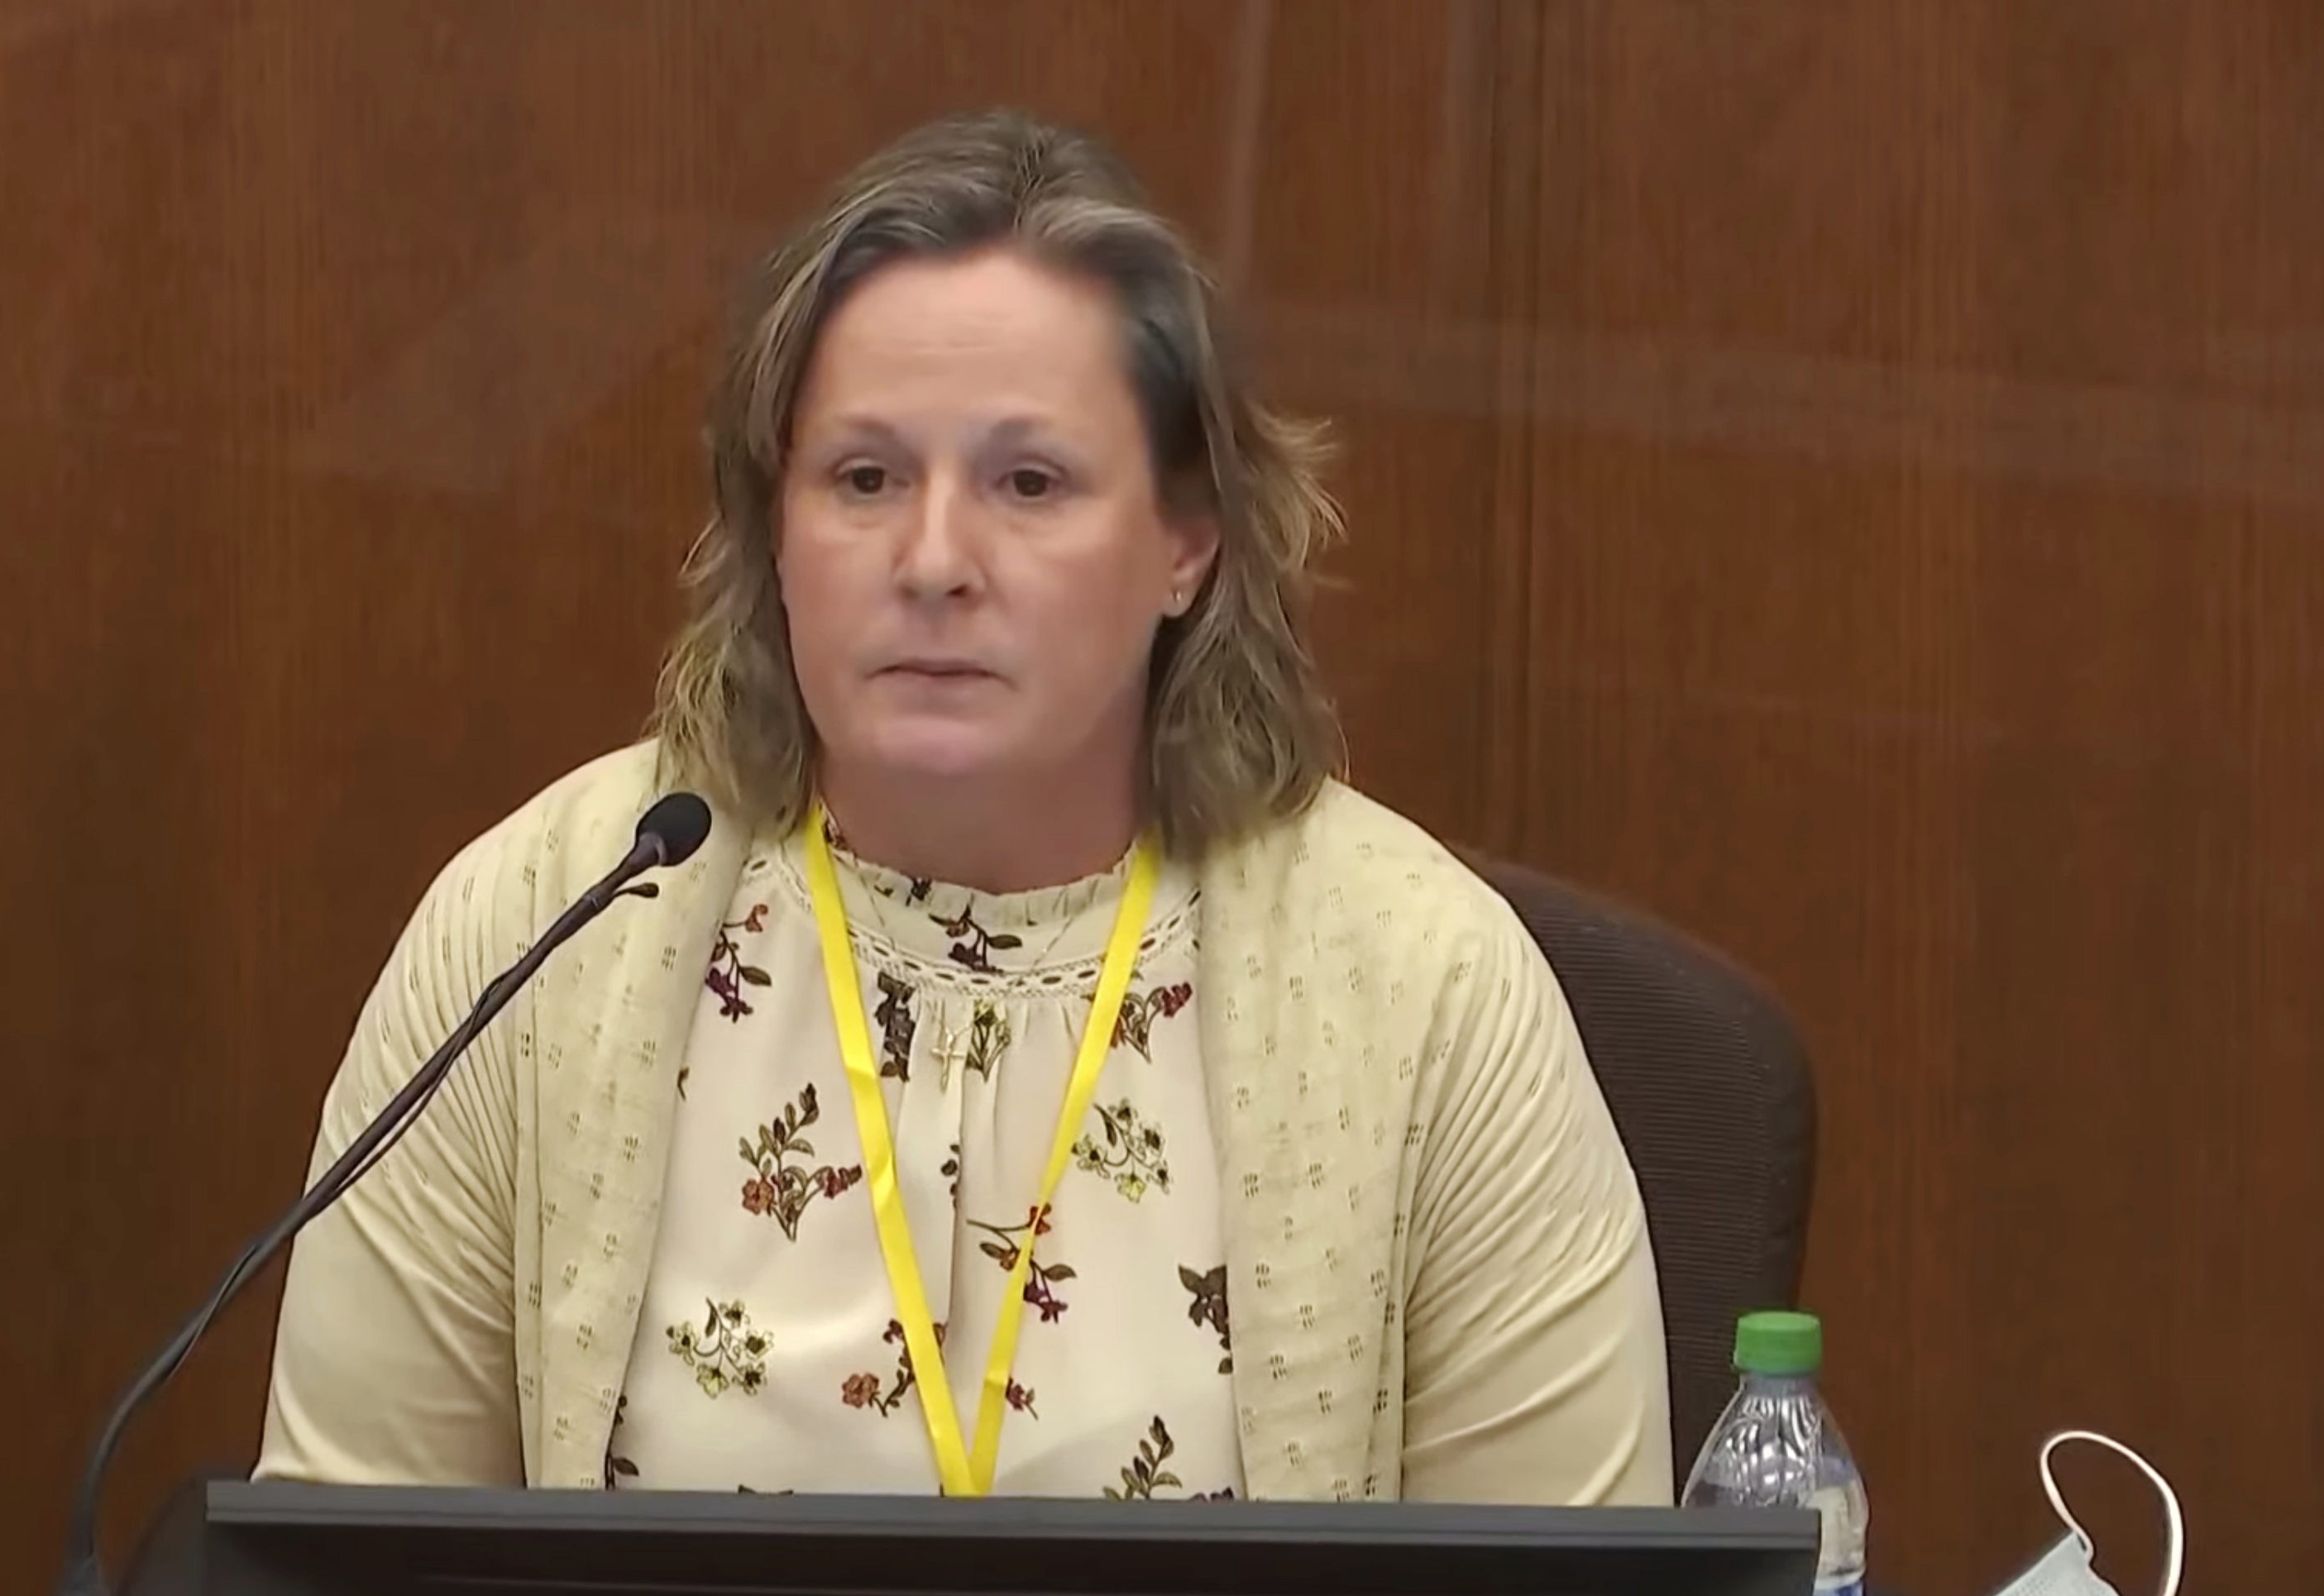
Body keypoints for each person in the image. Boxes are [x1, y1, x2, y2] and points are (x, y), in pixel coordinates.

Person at [256, 107, 1670, 1505]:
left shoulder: (1426, 989)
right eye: (864, 478)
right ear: (777, 530)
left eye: (1028, 482)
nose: (934, 558)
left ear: (1188, 540)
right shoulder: (537, 938)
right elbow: (341, 1589)